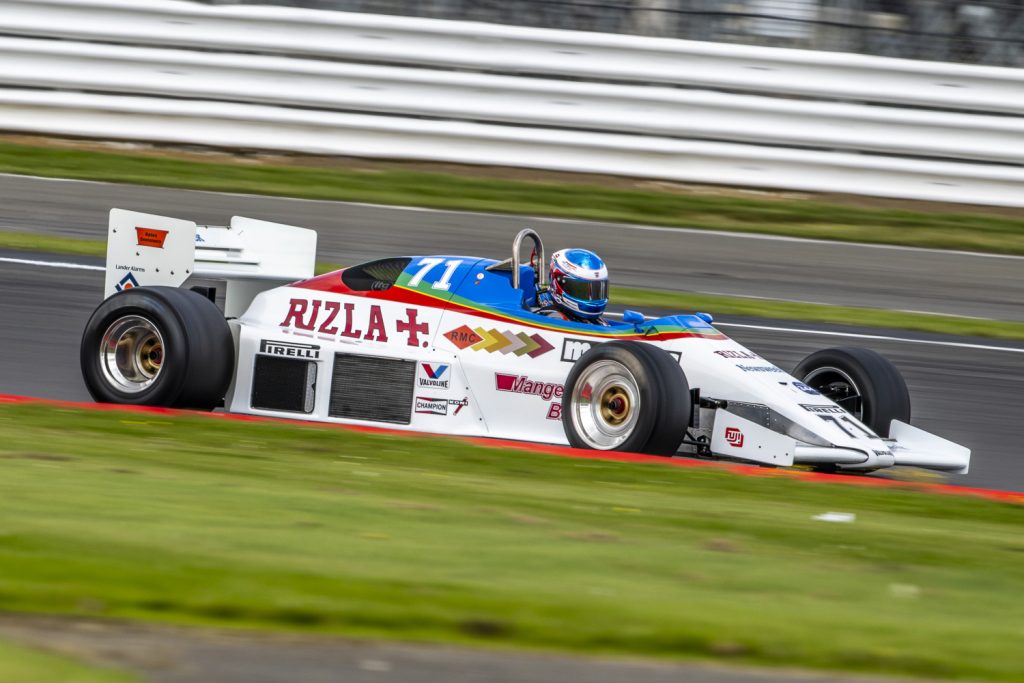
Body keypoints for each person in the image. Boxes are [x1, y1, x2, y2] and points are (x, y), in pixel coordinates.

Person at [534, 248, 610, 325]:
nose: (593, 299)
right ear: (560, 282)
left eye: (597, 290)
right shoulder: (552, 319)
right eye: (581, 290)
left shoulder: (597, 322)